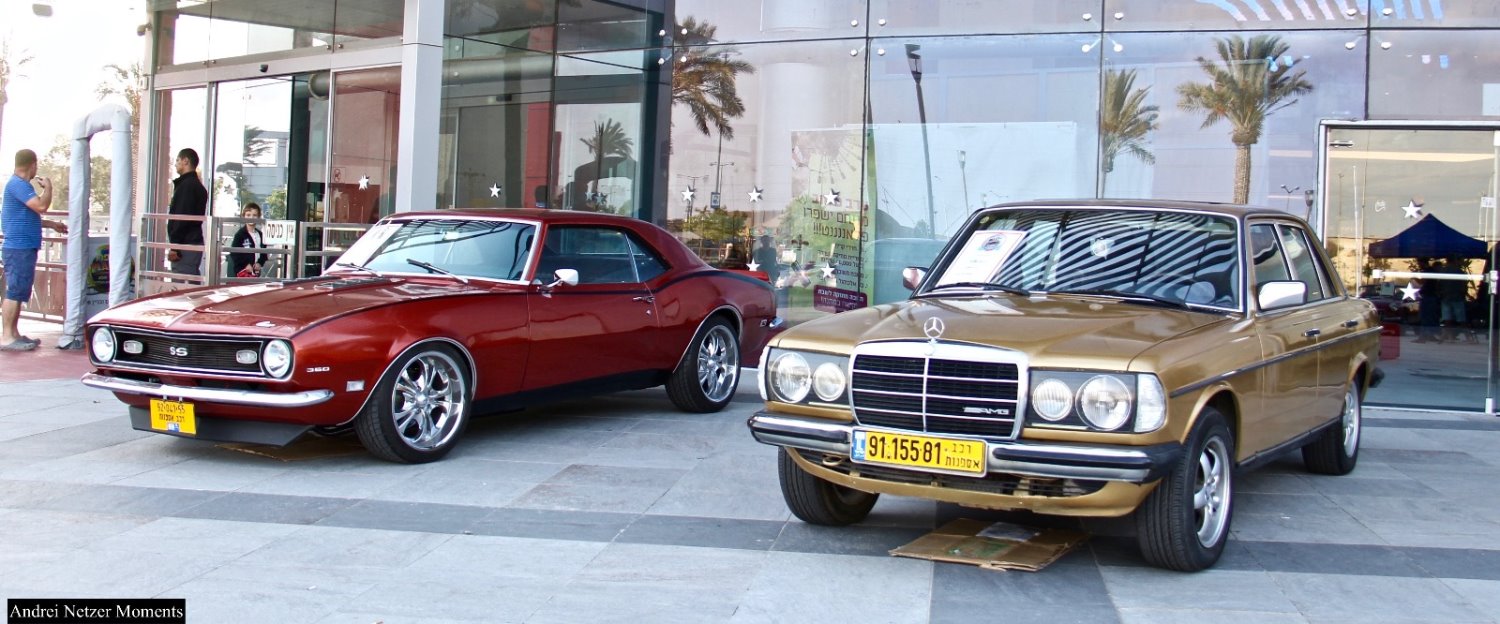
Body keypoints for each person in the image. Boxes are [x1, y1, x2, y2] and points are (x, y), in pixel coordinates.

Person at [1, 149, 67, 351]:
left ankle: (14, 333)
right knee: (14, 291)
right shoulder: (18, 185)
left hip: (24, 246)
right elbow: (41, 206)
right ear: (32, 165)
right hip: (18, 247)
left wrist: (51, 224)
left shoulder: (20, 186)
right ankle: (6, 337)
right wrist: (48, 188)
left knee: (20, 291)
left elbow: (27, 216)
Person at [166, 148, 208, 276]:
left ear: (186, 161)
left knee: (182, 280)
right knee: (189, 278)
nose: (175, 164)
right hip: (192, 242)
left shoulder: (186, 186)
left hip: (185, 244)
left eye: (177, 160)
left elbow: (181, 217)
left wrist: (175, 246)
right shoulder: (197, 186)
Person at [229, 202, 267, 277]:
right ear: (244, 216)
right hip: (242, 273)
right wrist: (245, 265)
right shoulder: (240, 235)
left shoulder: (261, 235)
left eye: (254, 215)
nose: (251, 217)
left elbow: (264, 253)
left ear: (259, 217)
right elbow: (234, 253)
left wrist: (260, 263)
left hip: (256, 273)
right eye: (248, 215)